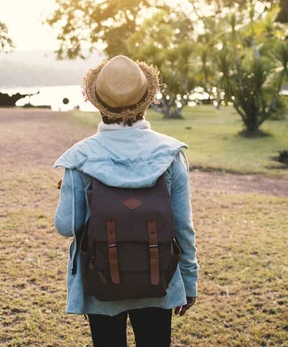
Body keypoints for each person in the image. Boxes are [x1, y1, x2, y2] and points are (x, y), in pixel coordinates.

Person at [53, 55, 198, 347]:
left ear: (98, 102)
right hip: (160, 280)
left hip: (100, 281)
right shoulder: (170, 153)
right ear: (146, 99)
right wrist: (189, 282)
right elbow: (183, 227)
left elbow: (65, 226)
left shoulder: (81, 157)